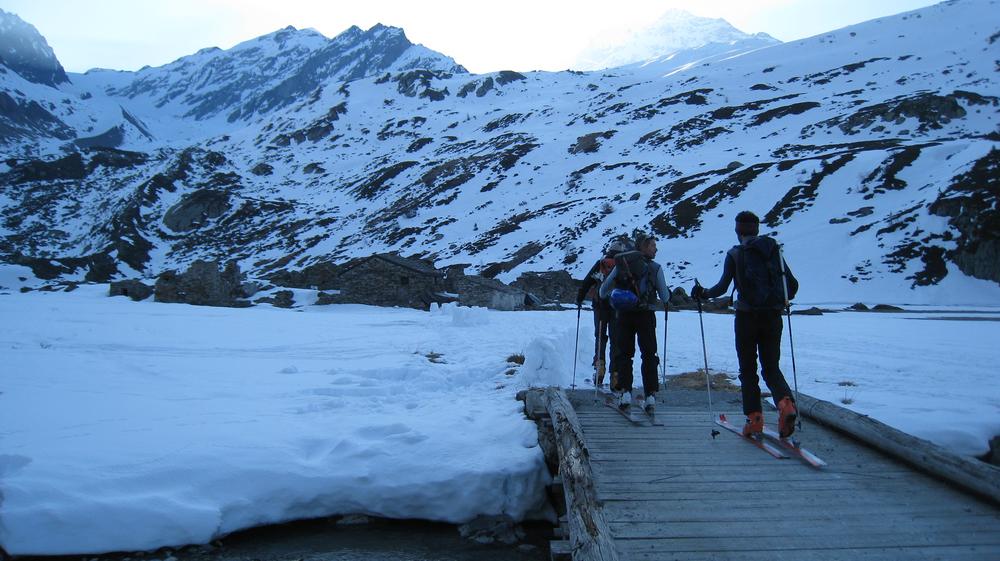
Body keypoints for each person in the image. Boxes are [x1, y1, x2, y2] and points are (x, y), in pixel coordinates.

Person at [690, 211, 800, 438]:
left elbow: (721, 288)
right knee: (771, 367)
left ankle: (755, 419)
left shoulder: (735, 254)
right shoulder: (774, 250)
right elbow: (793, 285)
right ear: (757, 229)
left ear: (738, 230)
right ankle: (786, 403)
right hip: (773, 317)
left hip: (746, 317)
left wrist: (703, 293)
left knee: (748, 369)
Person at [599, 231, 671, 414]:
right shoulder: (655, 268)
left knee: (624, 354)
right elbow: (664, 296)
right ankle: (650, 396)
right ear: (644, 247)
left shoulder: (622, 263)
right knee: (649, 354)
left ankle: (625, 393)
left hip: (623, 315)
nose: (656, 249)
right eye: (653, 245)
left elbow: (603, 290)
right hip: (646, 315)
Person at [576, 238, 632, 389]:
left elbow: (588, 281)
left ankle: (599, 368)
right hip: (617, 308)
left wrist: (580, 297)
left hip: (599, 306)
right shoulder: (622, 264)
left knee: (600, 337)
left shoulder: (601, 263)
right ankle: (615, 374)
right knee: (616, 340)